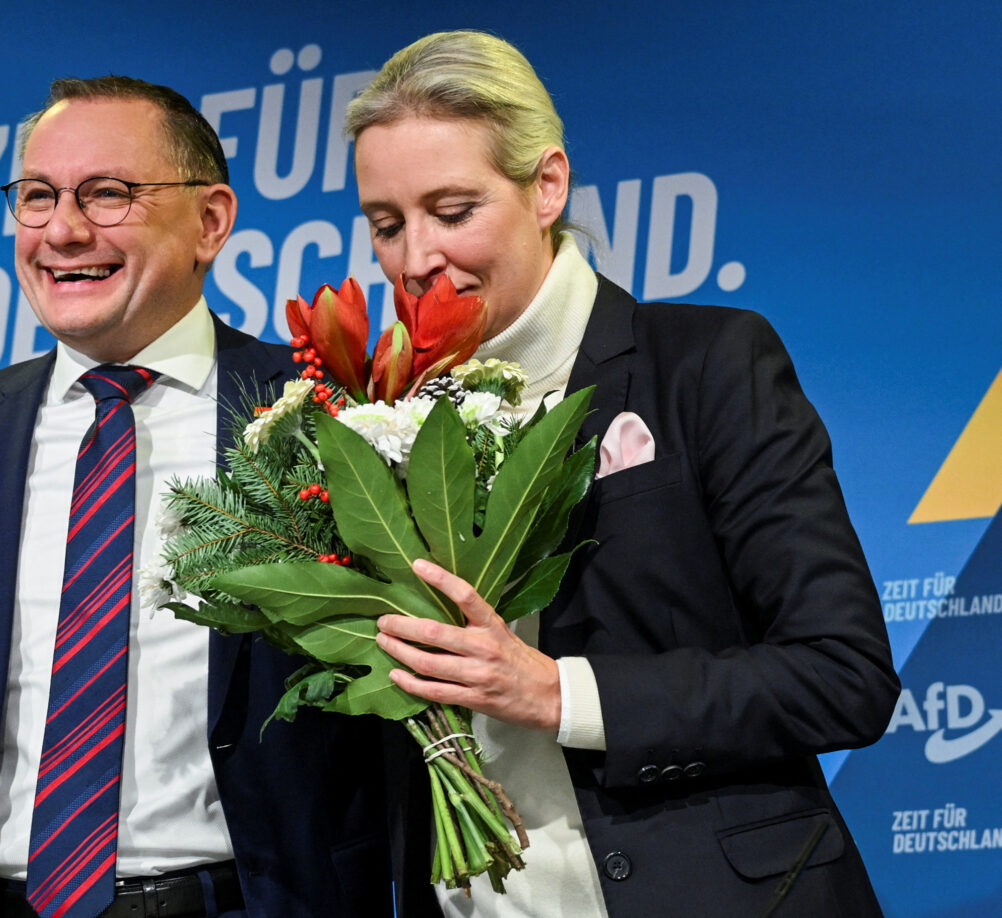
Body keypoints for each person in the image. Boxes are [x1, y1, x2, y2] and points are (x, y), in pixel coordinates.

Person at [0, 76, 419, 918]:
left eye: (107, 194)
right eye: (38, 196)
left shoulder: (329, 414)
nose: (62, 229)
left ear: (210, 221)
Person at [350, 30, 900, 918]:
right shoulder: (374, 420)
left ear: (547, 186)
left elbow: (844, 675)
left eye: (452, 212)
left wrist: (559, 693)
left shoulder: (708, 364)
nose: (415, 259)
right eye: (386, 224)